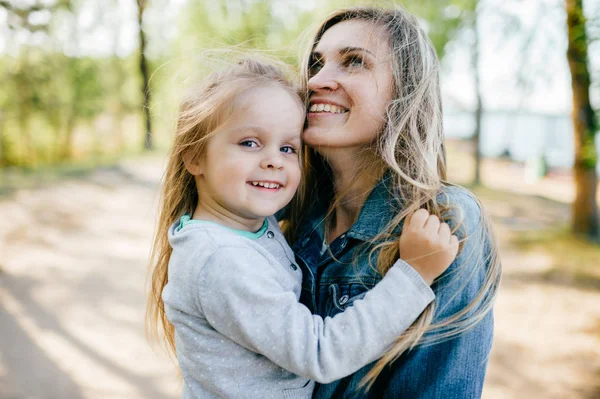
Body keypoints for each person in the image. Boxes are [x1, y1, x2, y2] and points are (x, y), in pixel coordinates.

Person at [145, 57, 460, 399]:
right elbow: (321, 354)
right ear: (195, 157)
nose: (273, 160)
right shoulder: (222, 260)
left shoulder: (243, 224)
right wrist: (413, 274)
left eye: (288, 148)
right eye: (249, 142)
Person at [282, 6, 502, 398]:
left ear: (405, 92)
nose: (316, 79)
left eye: (353, 62)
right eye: (317, 62)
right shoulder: (286, 213)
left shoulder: (446, 220)